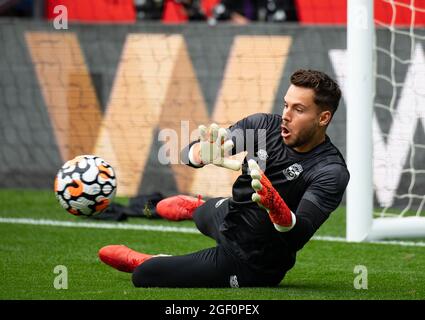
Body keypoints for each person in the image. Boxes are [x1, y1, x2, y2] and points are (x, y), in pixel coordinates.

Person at [98, 69, 350, 288]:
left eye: (298, 109)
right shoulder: (263, 126)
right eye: (286, 105)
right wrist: (201, 154)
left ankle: (148, 259)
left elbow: (298, 235)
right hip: (231, 215)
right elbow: (190, 154)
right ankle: (197, 208)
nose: (286, 114)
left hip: (251, 260)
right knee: (206, 211)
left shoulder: (330, 171)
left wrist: (276, 207)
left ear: (323, 118)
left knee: (145, 275)